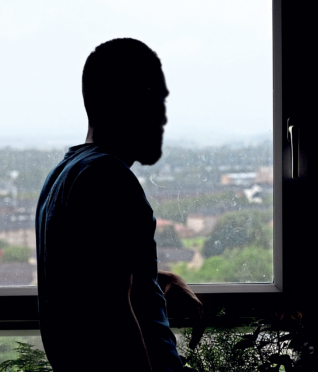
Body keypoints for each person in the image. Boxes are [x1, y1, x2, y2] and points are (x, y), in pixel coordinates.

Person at [35, 38, 204, 372]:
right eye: (159, 99)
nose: (164, 117)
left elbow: (88, 275)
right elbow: (111, 311)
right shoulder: (109, 179)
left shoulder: (64, 175)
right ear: (140, 99)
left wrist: (155, 279)